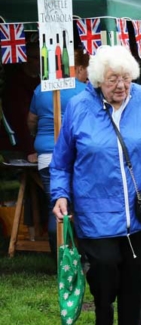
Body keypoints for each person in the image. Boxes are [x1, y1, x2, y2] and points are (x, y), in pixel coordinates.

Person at [49, 45, 141, 325]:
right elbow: (62, 161)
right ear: (98, 80)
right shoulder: (79, 107)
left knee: (135, 285)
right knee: (104, 270)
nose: (121, 85)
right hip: (95, 212)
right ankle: (103, 308)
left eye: (126, 78)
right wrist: (60, 194)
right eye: (113, 79)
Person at [27, 71, 84, 253]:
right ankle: (83, 256)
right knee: (81, 204)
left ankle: (60, 257)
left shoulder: (40, 89)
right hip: (77, 155)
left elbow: (31, 120)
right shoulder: (83, 90)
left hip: (46, 155)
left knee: (55, 204)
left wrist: (36, 137)